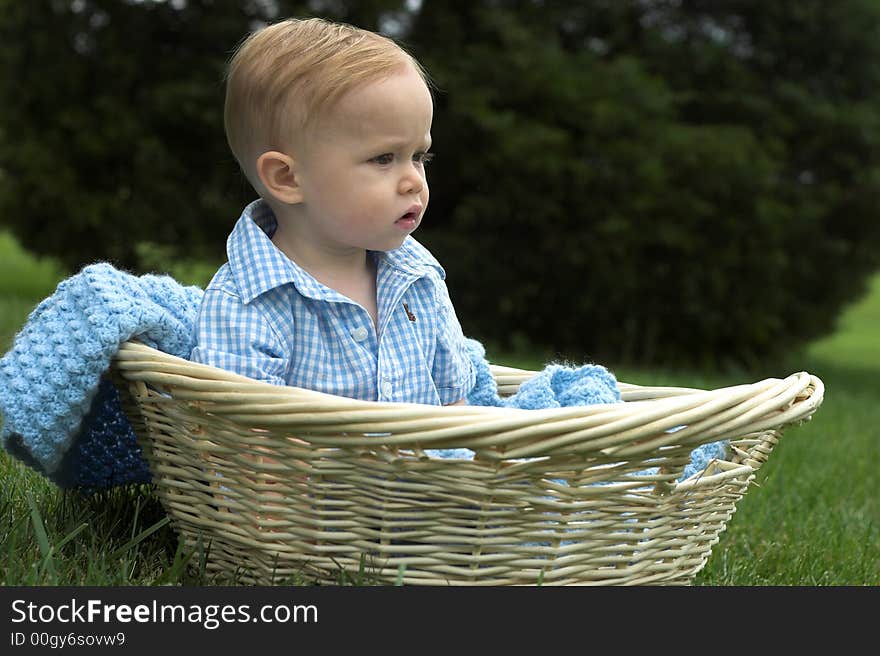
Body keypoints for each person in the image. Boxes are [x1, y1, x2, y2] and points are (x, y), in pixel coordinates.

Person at [191, 17, 475, 406]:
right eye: (383, 159)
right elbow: (241, 440)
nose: (413, 181)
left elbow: (455, 406)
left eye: (418, 156)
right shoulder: (247, 305)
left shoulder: (418, 277)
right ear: (287, 178)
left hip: (429, 467)